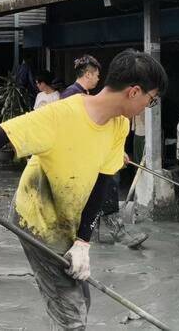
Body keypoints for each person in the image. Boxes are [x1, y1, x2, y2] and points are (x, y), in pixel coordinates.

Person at [0, 49, 167, 329]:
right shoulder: (62, 114)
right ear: (134, 92)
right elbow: (2, 133)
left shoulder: (118, 127)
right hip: (37, 217)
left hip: (67, 218)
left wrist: (82, 243)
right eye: (151, 100)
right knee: (71, 311)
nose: (148, 107)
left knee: (80, 296)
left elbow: (100, 187)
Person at [58, 55, 147, 248]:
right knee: (107, 186)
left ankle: (92, 237)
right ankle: (116, 232)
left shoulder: (85, 95)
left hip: (90, 154)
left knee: (101, 190)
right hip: (78, 156)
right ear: (88, 74)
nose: (99, 79)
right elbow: (76, 130)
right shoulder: (72, 95)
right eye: (97, 75)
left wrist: (113, 150)